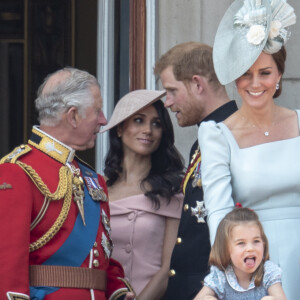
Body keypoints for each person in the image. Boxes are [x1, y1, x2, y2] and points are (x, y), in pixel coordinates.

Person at [0, 67, 135, 300]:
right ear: (72, 116)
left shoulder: (93, 179)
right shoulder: (16, 172)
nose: (103, 120)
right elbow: (7, 264)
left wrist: (117, 289)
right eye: (98, 111)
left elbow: (100, 255)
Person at [198, 0, 299, 298]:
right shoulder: (217, 134)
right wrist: (234, 276)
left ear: (279, 75)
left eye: (265, 73)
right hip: (253, 262)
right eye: (245, 73)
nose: (255, 83)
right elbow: (218, 211)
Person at [153, 42, 238, 299]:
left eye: (171, 91)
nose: (167, 103)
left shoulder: (237, 134)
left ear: (197, 84)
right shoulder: (204, 138)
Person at [100, 89, 185, 300]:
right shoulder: (99, 191)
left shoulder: (172, 191)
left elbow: (168, 267)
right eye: (139, 120)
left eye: (156, 124)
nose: (148, 130)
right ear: (120, 129)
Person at [193, 207, 286, 300]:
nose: (250, 248)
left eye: (256, 241)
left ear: (263, 243)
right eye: (241, 243)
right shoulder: (220, 275)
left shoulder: (267, 271)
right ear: (225, 249)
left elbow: (281, 298)